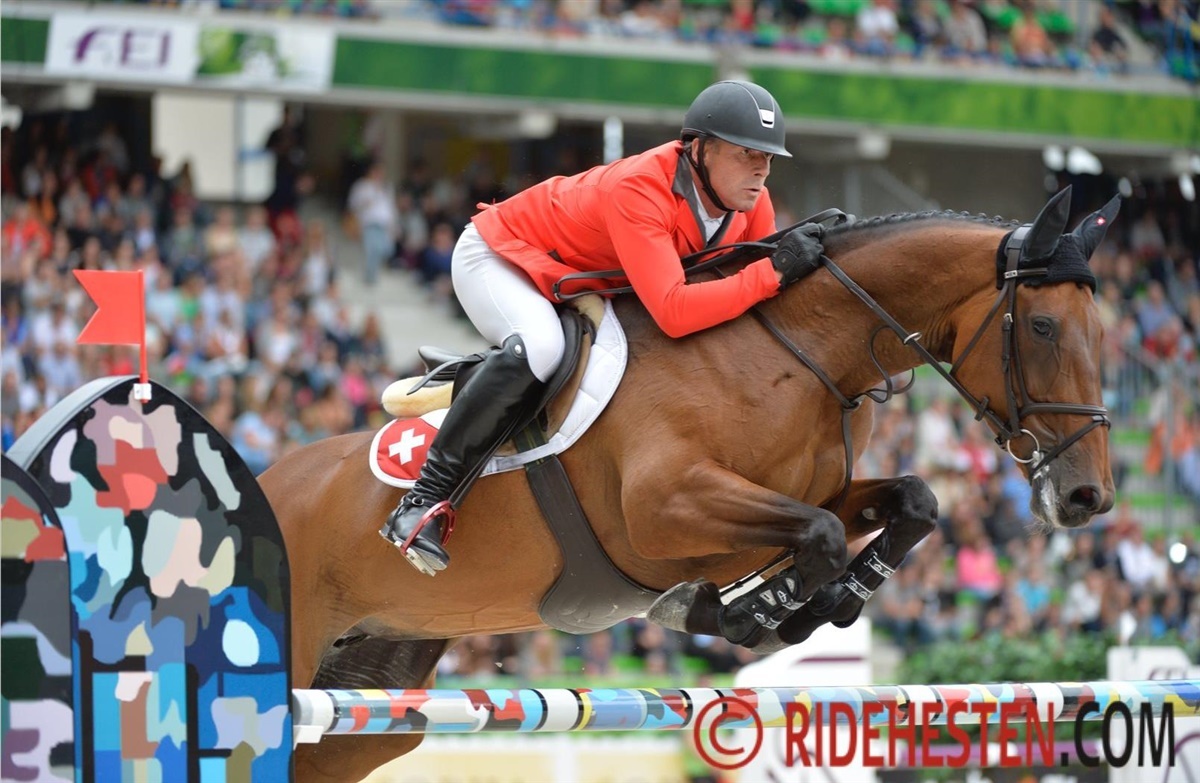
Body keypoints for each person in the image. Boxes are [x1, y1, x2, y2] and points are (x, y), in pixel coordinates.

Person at [379, 80, 826, 575]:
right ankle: (422, 501)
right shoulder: (642, 189)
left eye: (767, 157)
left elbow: (760, 300)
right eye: (746, 154)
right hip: (502, 256)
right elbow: (678, 310)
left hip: (585, 279)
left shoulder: (750, 201)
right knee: (542, 348)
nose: (761, 169)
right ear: (699, 149)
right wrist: (774, 272)